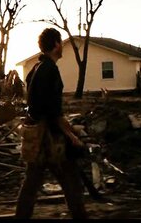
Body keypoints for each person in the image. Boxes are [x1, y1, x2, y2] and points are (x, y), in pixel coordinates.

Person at [15, 28, 88, 219]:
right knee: (71, 180)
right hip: (51, 138)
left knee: (31, 184)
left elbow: (36, 104)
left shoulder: (35, 69)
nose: (61, 46)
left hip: (36, 135)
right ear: (56, 44)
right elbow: (54, 111)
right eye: (60, 42)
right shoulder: (51, 70)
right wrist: (72, 136)